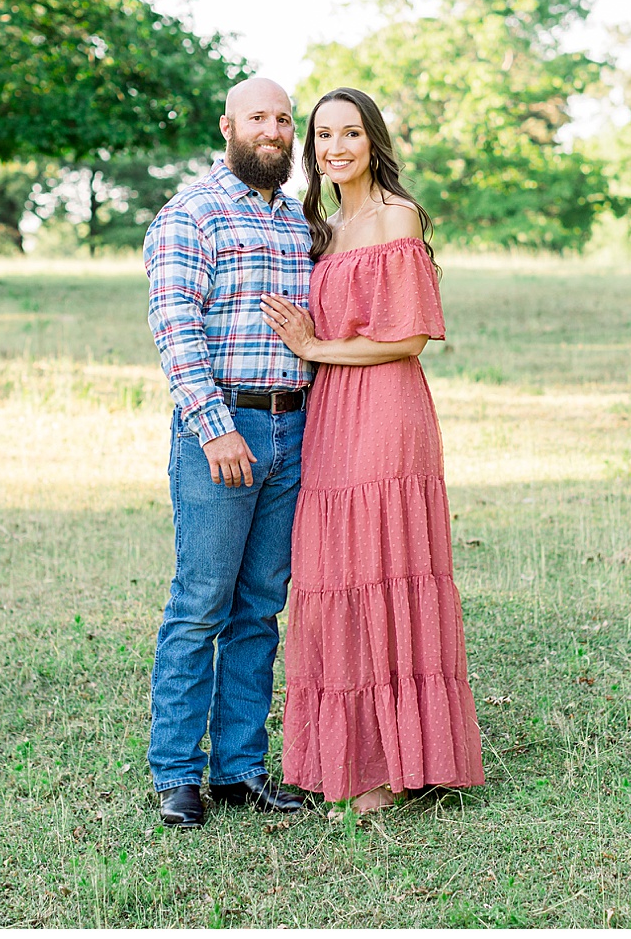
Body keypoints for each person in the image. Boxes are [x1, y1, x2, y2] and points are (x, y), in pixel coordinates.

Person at [260, 86, 485, 816]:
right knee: (334, 574)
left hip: (387, 409)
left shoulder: (397, 215)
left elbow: (410, 337)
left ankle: (396, 765)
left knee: (384, 566)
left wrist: (314, 346)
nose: (336, 147)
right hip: (332, 413)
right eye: (323, 136)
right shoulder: (320, 225)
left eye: (350, 133)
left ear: (372, 140)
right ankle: (347, 756)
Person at [141, 76, 317, 829]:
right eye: (259, 117)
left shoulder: (297, 222)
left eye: (283, 118)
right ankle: (178, 772)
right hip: (222, 430)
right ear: (227, 126)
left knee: (259, 607)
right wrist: (215, 428)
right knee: (201, 604)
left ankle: (241, 768)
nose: (274, 129)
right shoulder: (192, 214)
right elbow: (176, 328)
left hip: (292, 428)